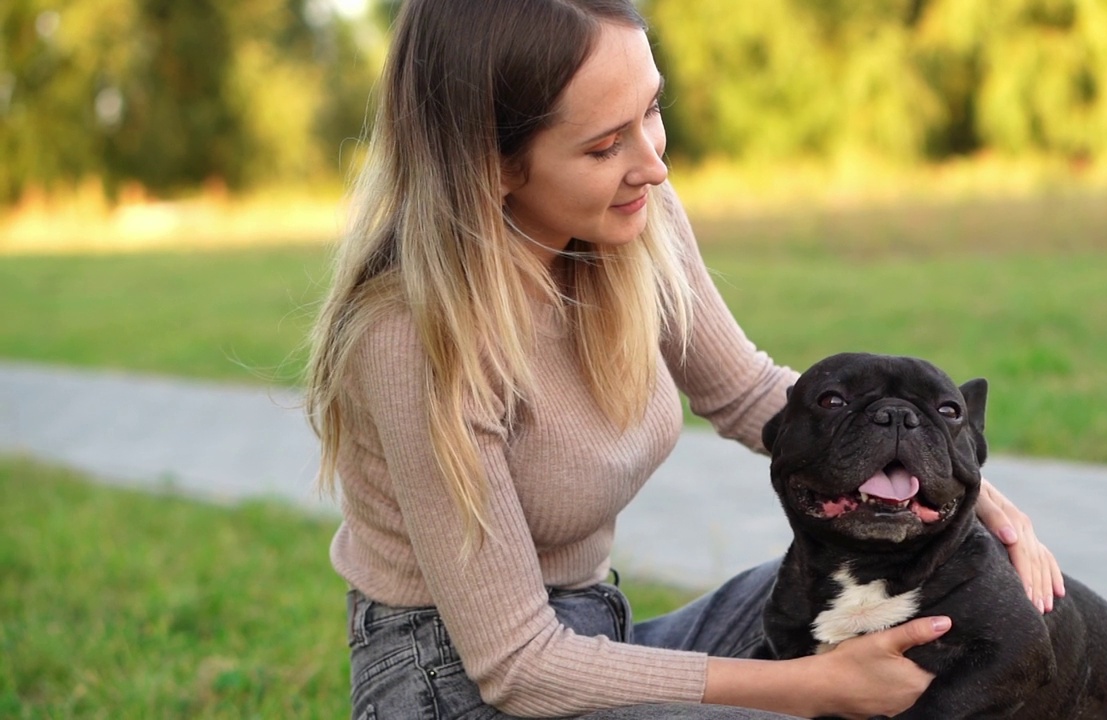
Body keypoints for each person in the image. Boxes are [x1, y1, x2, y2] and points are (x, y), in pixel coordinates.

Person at [305, 1, 1065, 718]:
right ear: (491, 164)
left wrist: (957, 479)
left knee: (894, 600)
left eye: (651, 112)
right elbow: (515, 662)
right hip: (458, 685)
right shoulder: (410, 338)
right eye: (605, 145)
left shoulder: (634, 223)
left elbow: (751, 394)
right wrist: (805, 686)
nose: (653, 165)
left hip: (592, 634)